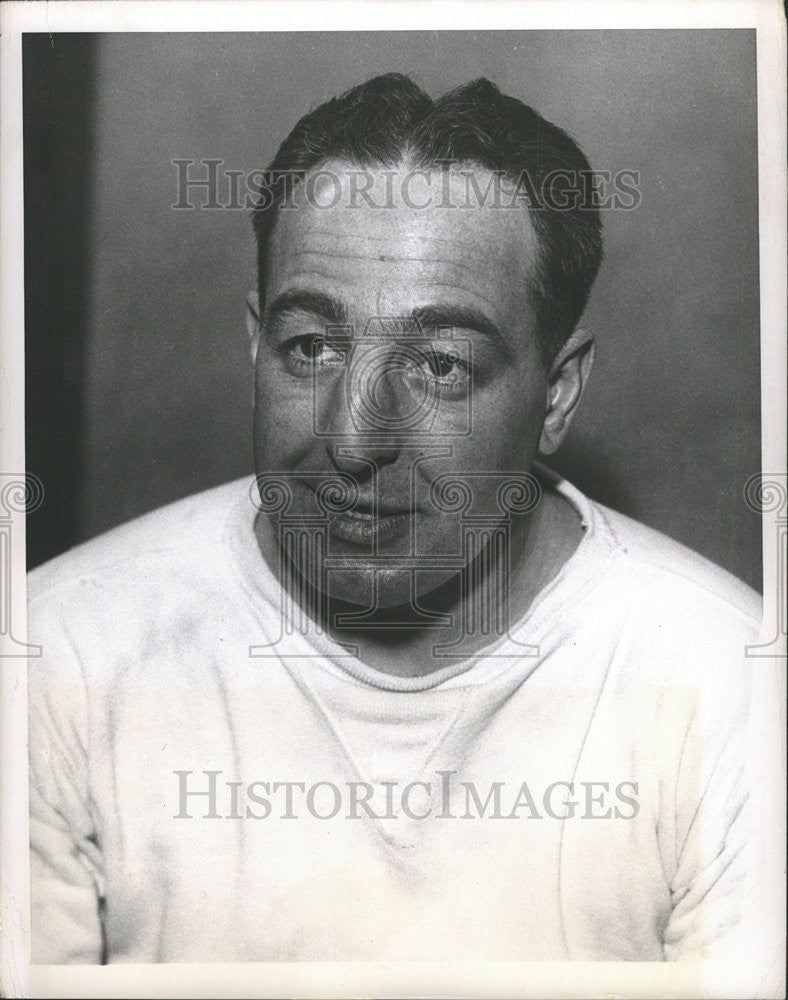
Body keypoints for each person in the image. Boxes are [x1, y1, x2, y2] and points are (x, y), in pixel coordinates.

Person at [28, 74, 773, 964]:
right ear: (254, 343)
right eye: (311, 349)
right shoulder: (55, 653)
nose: (352, 437)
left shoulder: (731, 684)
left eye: (441, 368)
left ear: (557, 393)